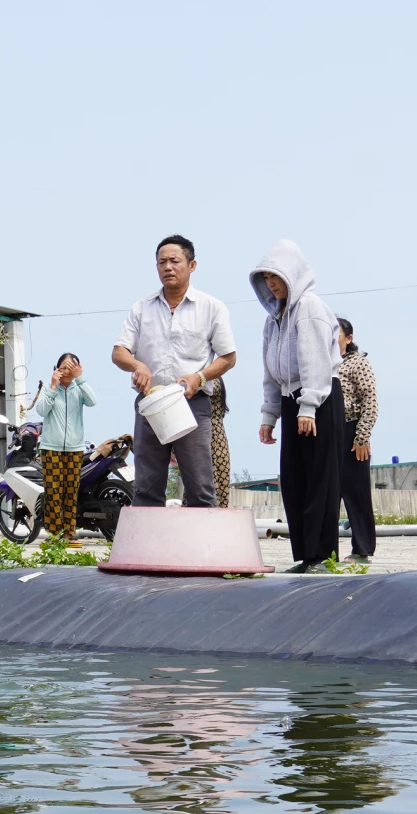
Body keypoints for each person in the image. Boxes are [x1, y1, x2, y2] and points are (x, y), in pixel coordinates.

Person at [111, 235, 238, 507]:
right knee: (146, 486)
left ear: (192, 265)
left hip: (192, 403)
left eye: (175, 261)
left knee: (200, 487)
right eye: (161, 262)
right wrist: (137, 365)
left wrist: (200, 376)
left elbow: (228, 357)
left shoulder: (211, 307)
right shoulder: (141, 308)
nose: (168, 267)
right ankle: (149, 549)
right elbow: (119, 352)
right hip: (150, 404)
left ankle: (203, 549)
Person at [252, 240, 344, 573]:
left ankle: (323, 556)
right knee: (294, 479)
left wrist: (309, 407)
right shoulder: (273, 319)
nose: (270, 283)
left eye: (275, 276)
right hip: (293, 400)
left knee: (321, 478)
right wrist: (269, 415)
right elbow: (270, 370)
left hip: (318, 398)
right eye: (265, 278)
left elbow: (315, 361)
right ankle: (306, 556)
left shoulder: (310, 308)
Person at [36, 352, 94, 541]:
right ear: (57, 369)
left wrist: (81, 378)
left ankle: (69, 531)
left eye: (72, 367)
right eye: (63, 367)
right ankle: (54, 533)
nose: (67, 371)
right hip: (50, 447)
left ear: (77, 368)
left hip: (75, 448)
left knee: (71, 491)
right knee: (53, 491)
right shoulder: (48, 387)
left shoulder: (79, 388)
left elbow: (93, 401)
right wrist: (53, 386)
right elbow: (41, 410)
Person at [336, 317, 379, 562]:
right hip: (327, 431)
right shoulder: (324, 364)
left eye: (336, 333)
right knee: (328, 493)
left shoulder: (357, 364)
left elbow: (370, 402)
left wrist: (361, 436)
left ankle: (362, 549)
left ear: (348, 338)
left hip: (351, 431)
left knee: (356, 492)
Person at [205, 376, 232, 507]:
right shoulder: (215, 376)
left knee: (215, 484)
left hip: (212, 434)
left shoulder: (211, 377)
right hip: (215, 433)